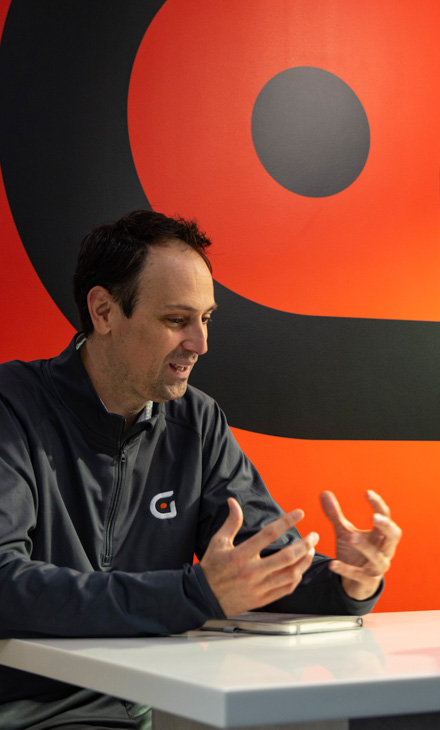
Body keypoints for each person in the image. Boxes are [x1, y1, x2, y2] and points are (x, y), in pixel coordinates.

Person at [0, 210, 401, 728]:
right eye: (175, 320)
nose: (200, 343)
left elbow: (260, 567)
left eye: (205, 318)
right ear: (103, 311)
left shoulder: (198, 420)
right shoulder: (13, 407)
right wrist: (194, 593)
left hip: (128, 712)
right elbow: (6, 585)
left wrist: (348, 582)